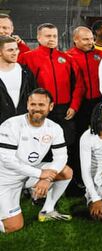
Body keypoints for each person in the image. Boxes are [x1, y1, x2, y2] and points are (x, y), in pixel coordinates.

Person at [0, 89, 73, 233]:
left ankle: (47, 211)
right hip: (5, 179)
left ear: (50, 106)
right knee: (13, 226)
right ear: (27, 105)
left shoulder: (54, 128)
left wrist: (47, 177)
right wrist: (40, 174)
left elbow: (61, 156)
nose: (36, 108)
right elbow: (7, 160)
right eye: (33, 104)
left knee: (66, 172)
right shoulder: (11, 125)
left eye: (41, 104)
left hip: (29, 173)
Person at [18, 24, 85, 170]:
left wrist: (74, 106)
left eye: (54, 36)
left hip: (64, 109)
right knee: (39, 145)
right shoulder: (27, 58)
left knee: (68, 143)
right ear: (39, 37)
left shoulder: (67, 58)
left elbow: (79, 85)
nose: (52, 39)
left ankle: (69, 180)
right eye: (48, 36)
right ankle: (36, 180)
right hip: (39, 110)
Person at [67, 26, 102, 146]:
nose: (90, 42)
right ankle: (78, 163)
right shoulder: (68, 57)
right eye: (85, 39)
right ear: (75, 40)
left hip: (99, 101)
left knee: (101, 134)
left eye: (91, 39)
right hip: (80, 103)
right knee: (79, 135)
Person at [0, 36, 36, 124]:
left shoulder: (26, 72)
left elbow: (34, 95)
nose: (15, 53)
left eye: (16, 49)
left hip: (24, 124)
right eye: (10, 50)